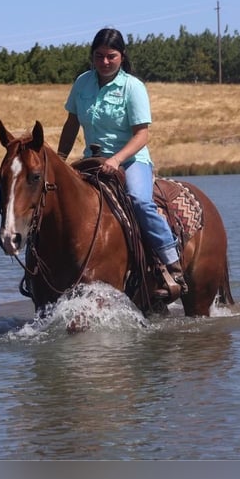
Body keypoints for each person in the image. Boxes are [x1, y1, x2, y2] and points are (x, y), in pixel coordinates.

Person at [56, 27, 187, 299]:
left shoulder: (132, 87)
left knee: (139, 200)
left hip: (131, 160)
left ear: (122, 56)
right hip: (92, 159)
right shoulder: (82, 83)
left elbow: (142, 134)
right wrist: (60, 161)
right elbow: (71, 125)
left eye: (111, 56)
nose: (104, 62)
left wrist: (117, 160)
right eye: (99, 56)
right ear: (92, 56)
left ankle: (171, 260)